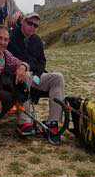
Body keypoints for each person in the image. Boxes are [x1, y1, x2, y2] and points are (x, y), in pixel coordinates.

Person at [7, 12, 65, 145]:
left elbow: (42, 61)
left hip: (36, 76)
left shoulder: (37, 40)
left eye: (35, 25)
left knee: (58, 77)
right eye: (30, 23)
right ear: (23, 22)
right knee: (25, 75)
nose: (32, 27)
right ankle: (25, 122)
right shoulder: (12, 36)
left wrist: (38, 75)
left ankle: (52, 123)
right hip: (18, 75)